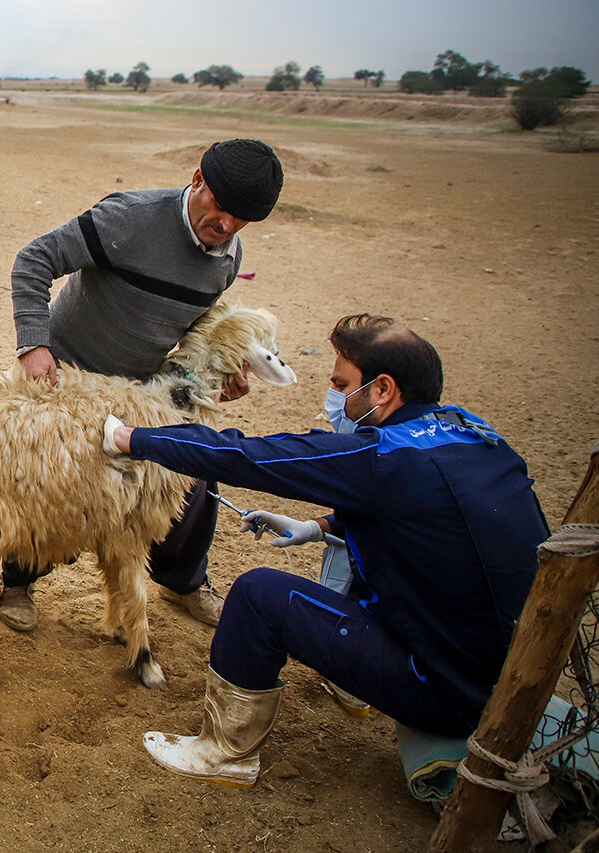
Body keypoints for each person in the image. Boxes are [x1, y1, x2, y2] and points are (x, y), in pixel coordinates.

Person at [101, 314, 549, 787]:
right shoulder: (478, 436)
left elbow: (251, 456)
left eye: (342, 383)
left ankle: (223, 753)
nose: (336, 394)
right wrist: (318, 526)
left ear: (381, 390)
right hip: (513, 680)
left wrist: (134, 438)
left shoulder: (380, 456)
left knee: (258, 595)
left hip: (446, 694)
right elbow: (438, 515)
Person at [1, 138, 285, 631]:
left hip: (141, 393)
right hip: (66, 376)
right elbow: (35, 259)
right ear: (198, 178)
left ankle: (186, 582)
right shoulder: (129, 218)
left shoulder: (227, 259)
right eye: (221, 207)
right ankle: (19, 580)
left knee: (190, 474)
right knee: (50, 482)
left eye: (242, 219)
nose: (228, 225)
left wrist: (220, 377)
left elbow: (194, 330)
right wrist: (33, 344)